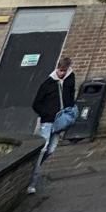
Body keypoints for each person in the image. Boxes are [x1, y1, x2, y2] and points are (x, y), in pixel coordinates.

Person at [29, 54, 77, 193]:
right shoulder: (47, 84)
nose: (62, 73)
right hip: (47, 122)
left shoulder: (69, 80)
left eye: (64, 71)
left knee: (51, 150)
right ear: (57, 68)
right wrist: (46, 114)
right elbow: (36, 104)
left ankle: (35, 167)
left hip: (59, 122)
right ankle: (32, 182)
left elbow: (70, 97)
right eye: (60, 70)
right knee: (43, 149)